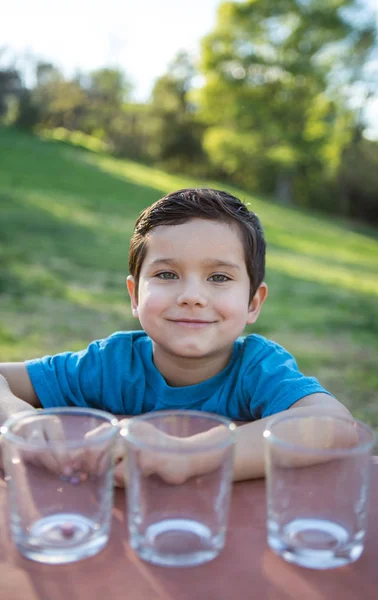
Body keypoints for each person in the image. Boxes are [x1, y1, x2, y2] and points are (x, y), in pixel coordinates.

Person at [0, 188, 353, 484]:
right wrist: (16, 415)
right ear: (135, 296)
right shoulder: (111, 364)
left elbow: (335, 425)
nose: (192, 296)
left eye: (219, 278)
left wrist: (190, 455)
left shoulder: (257, 368)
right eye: (167, 274)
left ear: (253, 303)